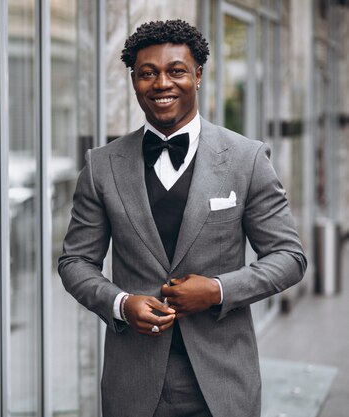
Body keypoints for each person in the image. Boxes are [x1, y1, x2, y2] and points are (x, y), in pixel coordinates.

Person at [58, 19, 306, 417]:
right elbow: (75, 262)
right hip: (134, 382)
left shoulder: (246, 159)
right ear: (134, 81)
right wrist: (121, 303)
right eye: (147, 73)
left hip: (223, 380)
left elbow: (289, 258)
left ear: (198, 75)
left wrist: (217, 290)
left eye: (176, 70)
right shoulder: (101, 165)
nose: (161, 84)